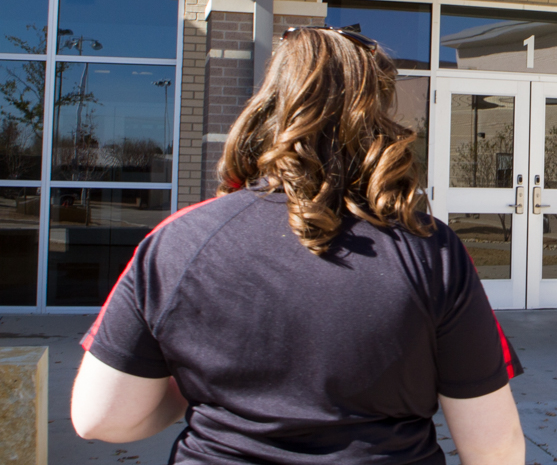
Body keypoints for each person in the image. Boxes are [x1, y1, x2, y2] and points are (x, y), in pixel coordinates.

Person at [71, 24, 525, 465]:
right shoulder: (432, 250)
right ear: (376, 116)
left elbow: (100, 419)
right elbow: (494, 448)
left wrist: (189, 388)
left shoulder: (179, 240)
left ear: (270, 105)